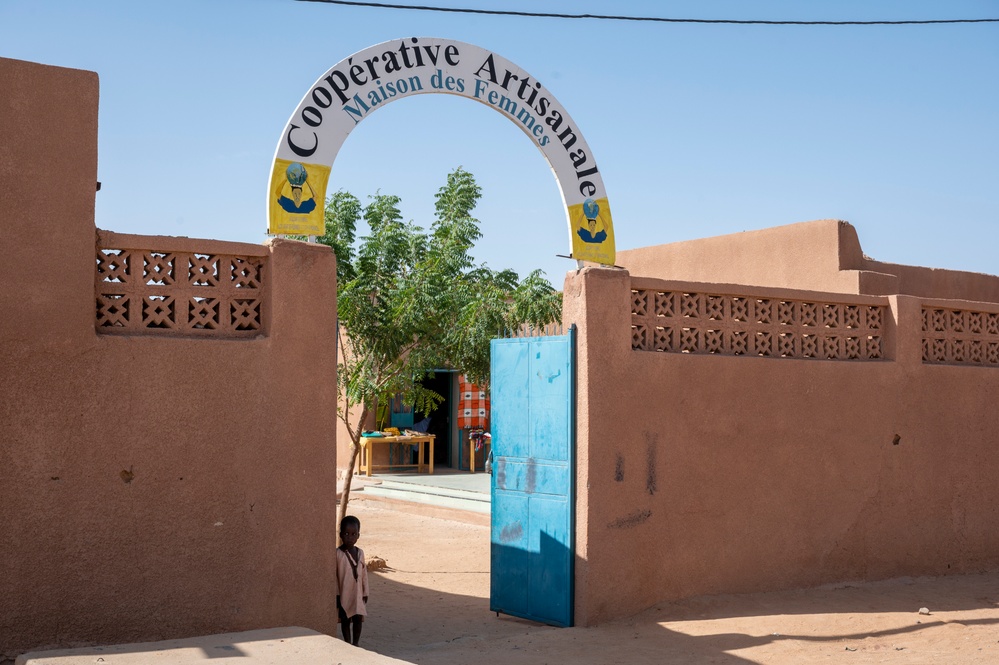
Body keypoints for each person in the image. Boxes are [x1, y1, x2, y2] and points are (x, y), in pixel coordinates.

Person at [335, 515, 369, 645]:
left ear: (358, 535)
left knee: (358, 618)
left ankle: (356, 643)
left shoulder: (360, 553)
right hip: (344, 593)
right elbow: (335, 577)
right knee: (345, 619)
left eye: (354, 534)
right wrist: (337, 595)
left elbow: (364, 574)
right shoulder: (338, 554)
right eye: (347, 533)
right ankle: (347, 643)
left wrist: (366, 592)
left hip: (358, 593)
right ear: (341, 535)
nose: (350, 537)